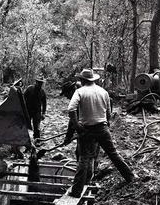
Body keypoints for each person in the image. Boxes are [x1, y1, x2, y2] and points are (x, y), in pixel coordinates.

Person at [63, 68, 135, 197]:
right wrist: (105, 123)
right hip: (102, 127)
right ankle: (130, 177)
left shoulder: (80, 92)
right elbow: (108, 112)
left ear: (82, 80)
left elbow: (71, 110)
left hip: (86, 129)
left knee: (84, 158)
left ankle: (77, 190)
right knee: (113, 154)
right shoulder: (104, 92)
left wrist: (78, 126)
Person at [23, 76, 47, 142]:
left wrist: (43, 113)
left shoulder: (42, 91)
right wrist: (23, 109)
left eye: (41, 83)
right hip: (28, 110)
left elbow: (44, 103)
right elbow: (23, 98)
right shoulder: (29, 89)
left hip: (37, 111)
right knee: (27, 125)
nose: (40, 84)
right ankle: (27, 140)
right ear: (36, 82)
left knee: (36, 126)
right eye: (39, 83)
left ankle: (37, 140)